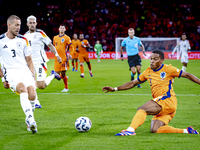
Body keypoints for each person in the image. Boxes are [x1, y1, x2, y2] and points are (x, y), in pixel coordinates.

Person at [102, 50, 199, 136]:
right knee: (155, 129)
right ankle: (187, 131)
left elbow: (187, 75)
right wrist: (115, 89)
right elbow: (133, 83)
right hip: (162, 105)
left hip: (168, 100)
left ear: (161, 60)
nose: (152, 61)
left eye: (155, 59)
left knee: (142, 109)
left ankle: (130, 130)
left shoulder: (168, 69)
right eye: (151, 59)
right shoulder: (148, 71)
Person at [0, 15, 38, 134]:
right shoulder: (0, 41)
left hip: (24, 71)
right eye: (16, 25)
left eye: (20, 25)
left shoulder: (23, 40)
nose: (18, 28)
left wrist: (33, 76)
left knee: (32, 95)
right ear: (9, 25)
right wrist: (2, 79)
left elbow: (29, 60)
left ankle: (28, 120)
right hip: (11, 72)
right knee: (22, 89)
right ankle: (31, 120)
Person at [24, 15, 62, 108]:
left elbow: (49, 44)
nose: (32, 25)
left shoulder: (41, 33)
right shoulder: (24, 36)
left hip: (40, 62)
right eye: (30, 23)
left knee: (41, 86)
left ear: (36, 23)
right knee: (30, 83)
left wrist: (57, 55)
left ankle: (53, 74)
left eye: (34, 23)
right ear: (27, 24)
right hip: (29, 64)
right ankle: (36, 102)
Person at [53, 24, 74, 92]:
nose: (61, 29)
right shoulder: (55, 37)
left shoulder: (67, 38)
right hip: (57, 59)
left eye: (63, 28)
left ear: (65, 29)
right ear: (58, 29)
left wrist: (70, 54)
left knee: (63, 73)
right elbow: (54, 46)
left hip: (64, 58)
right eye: (60, 28)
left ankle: (66, 88)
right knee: (56, 75)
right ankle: (65, 78)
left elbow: (72, 47)